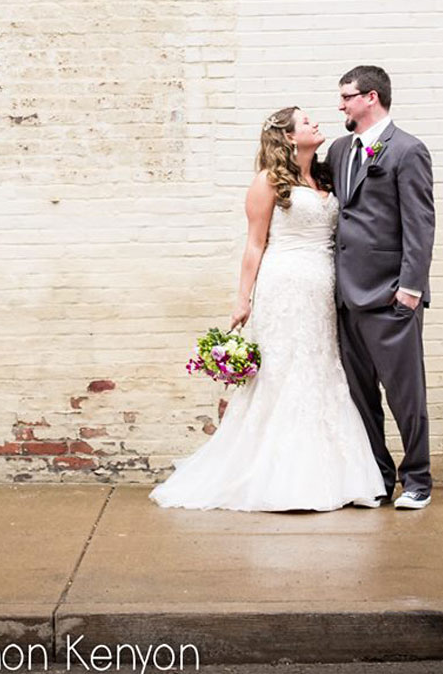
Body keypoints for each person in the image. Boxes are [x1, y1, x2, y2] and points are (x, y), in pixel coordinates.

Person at [150, 107, 386, 511]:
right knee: (284, 374)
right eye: (306, 121)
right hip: (285, 286)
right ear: (290, 137)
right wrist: (242, 298)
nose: (315, 123)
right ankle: (280, 477)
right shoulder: (267, 182)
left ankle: (334, 475)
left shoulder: (325, 175)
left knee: (322, 368)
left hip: (323, 286)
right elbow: (255, 244)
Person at [326, 65, 435, 510]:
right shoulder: (338, 150)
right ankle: (378, 475)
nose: (341, 105)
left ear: (371, 98)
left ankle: (418, 480)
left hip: (391, 296)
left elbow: (421, 224)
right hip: (346, 297)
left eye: (347, 96)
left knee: (406, 393)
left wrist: (410, 288)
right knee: (360, 396)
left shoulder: (408, 151)